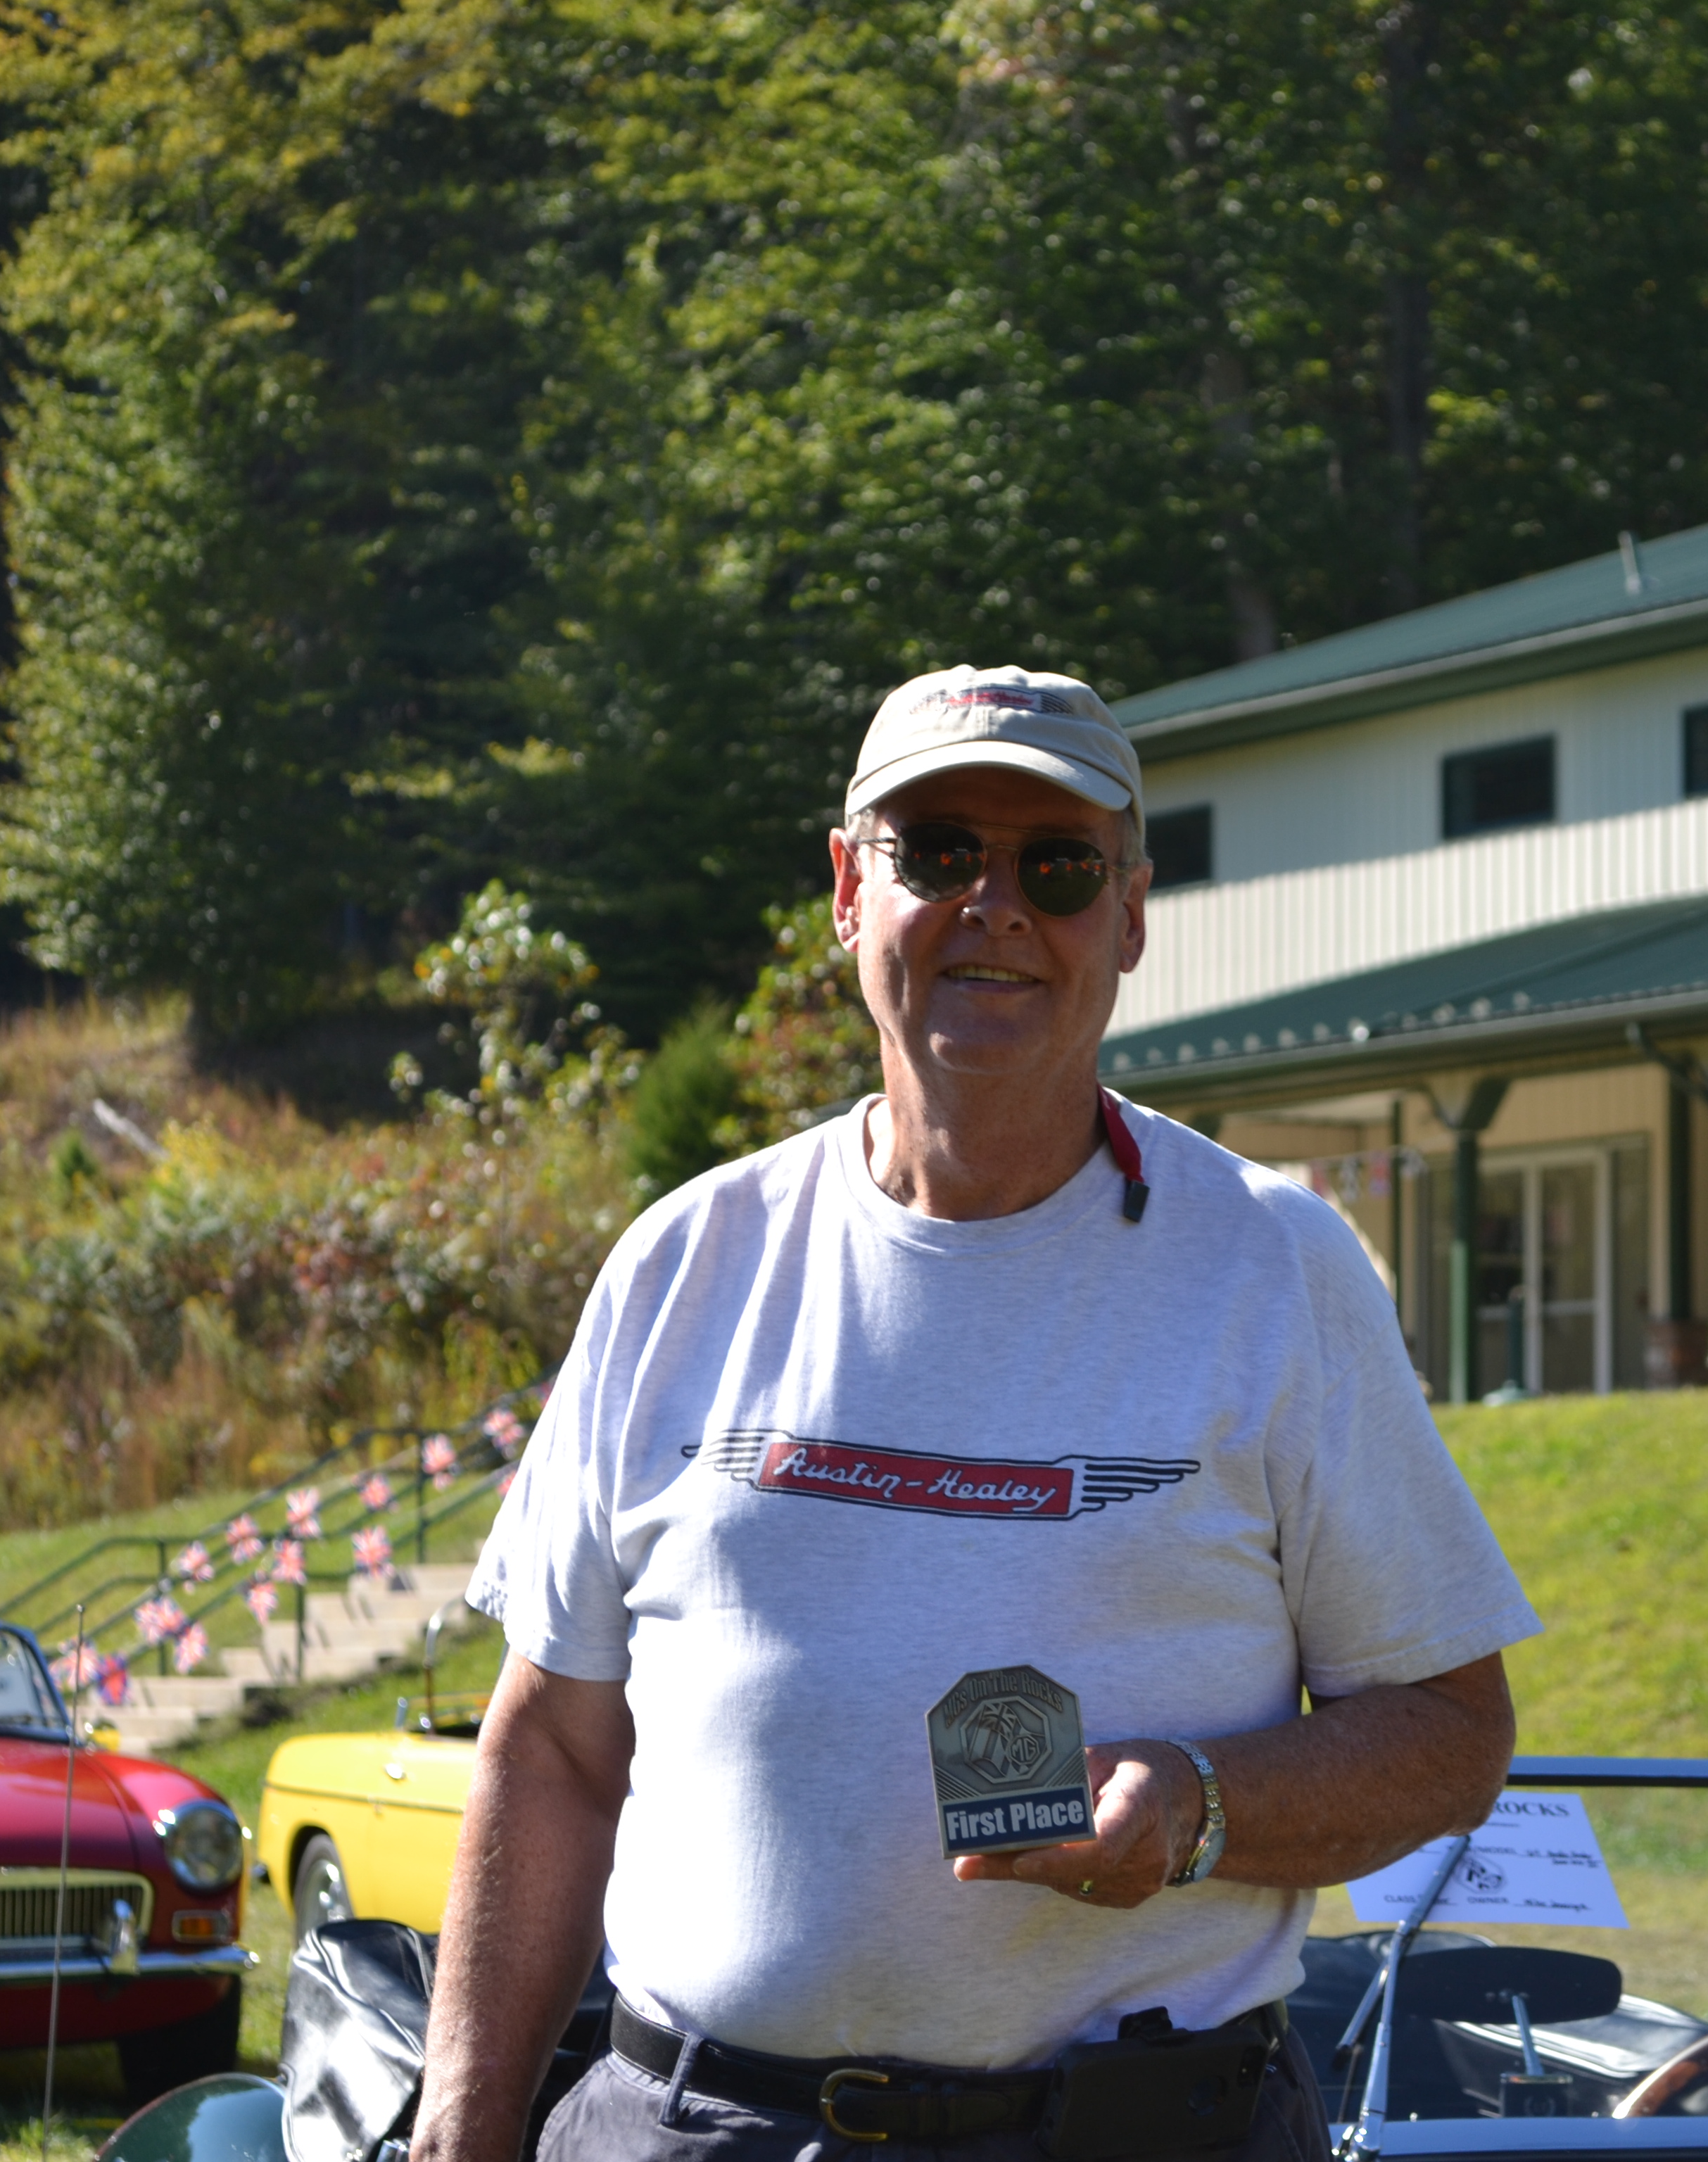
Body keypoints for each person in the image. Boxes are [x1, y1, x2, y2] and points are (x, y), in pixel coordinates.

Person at [417, 665, 1540, 2162]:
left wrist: (1198, 1806)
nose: (994, 906)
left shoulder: (1273, 1267)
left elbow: (1452, 1735)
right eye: (939, 851)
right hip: (694, 2124)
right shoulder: (686, 1261)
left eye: (1057, 866)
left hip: (1138, 2134)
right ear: (847, 889)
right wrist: (461, 2128)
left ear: (1128, 916)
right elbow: (553, 1751)